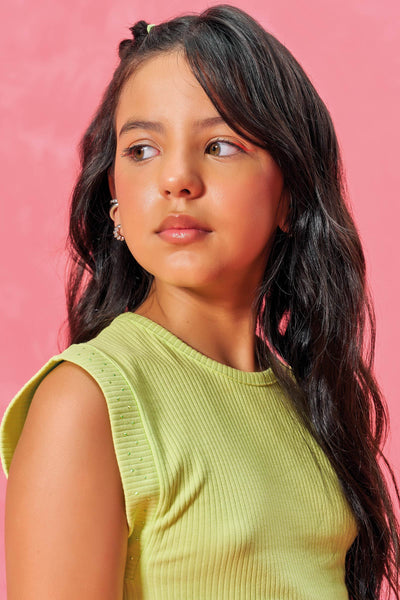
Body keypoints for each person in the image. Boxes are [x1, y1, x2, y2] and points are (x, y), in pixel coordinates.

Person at [1, 5, 399, 599]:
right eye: (142, 150)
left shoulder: (306, 401)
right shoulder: (87, 402)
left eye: (219, 145)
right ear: (115, 197)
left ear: (289, 193)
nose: (177, 180)